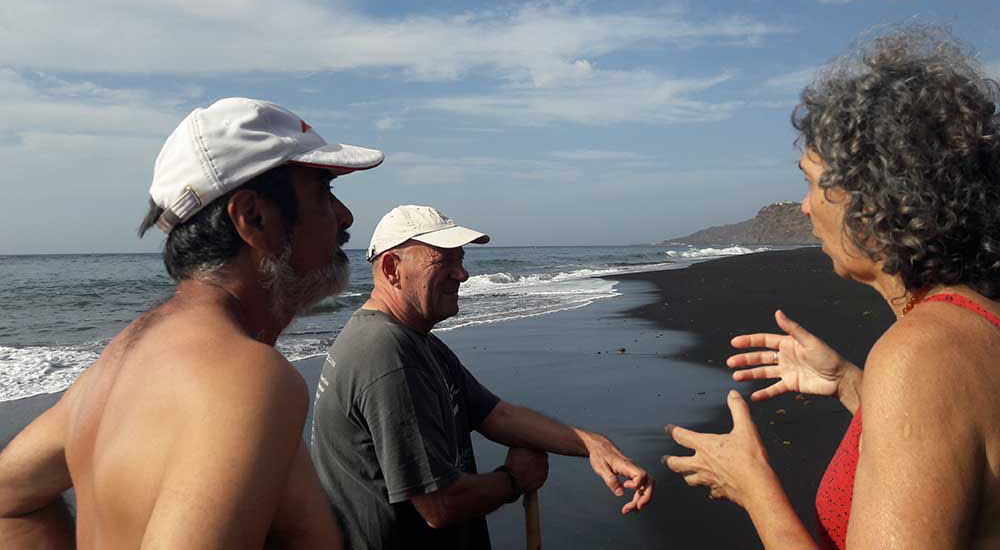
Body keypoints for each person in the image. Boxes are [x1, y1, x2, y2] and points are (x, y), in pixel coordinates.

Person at [664, 26, 1000, 549]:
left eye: (810, 179)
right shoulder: (973, 322)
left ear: (875, 194)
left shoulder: (921, 353)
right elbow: (947, 433)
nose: (804, 207)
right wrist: (847, 381)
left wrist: (752, 486)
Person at [0, 98, 383, 549]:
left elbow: (9, 498)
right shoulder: (245, 377)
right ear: (254, 218)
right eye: (323, 191)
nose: (345, 216)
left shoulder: (114, 366)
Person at [310, 204, 655, 549]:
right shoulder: (385, 353)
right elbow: (439, 505)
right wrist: (514, 480)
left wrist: (591, 445)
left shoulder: (418, 341)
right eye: (444, 261)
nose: (462, 274)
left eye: (460, 260)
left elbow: (496, 415)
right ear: (392, 269)